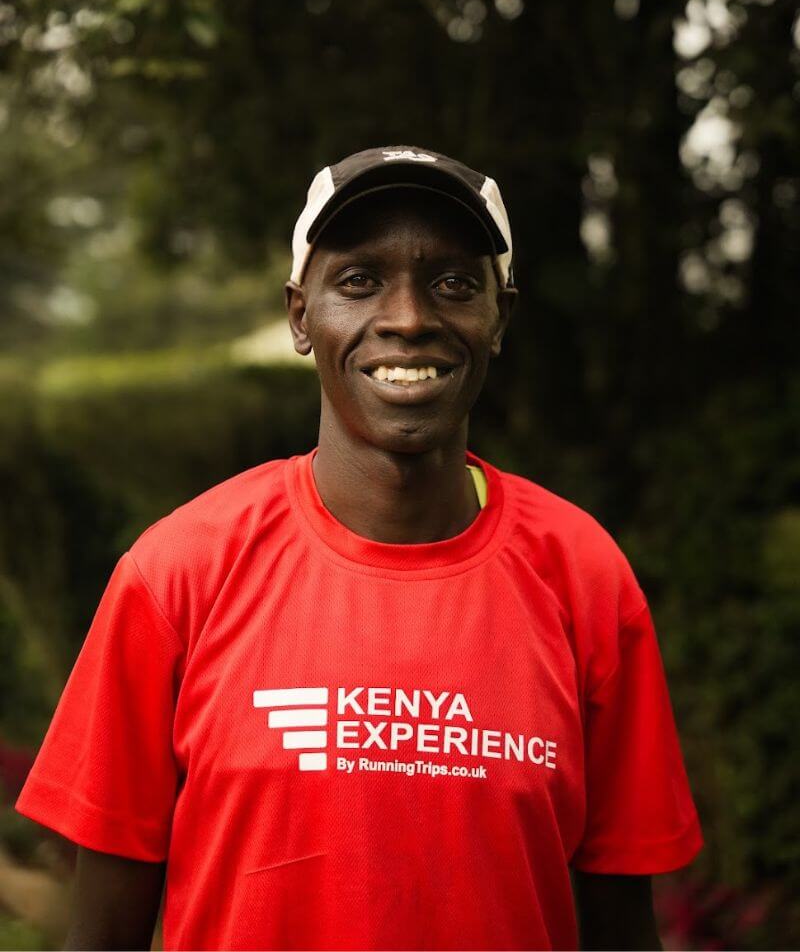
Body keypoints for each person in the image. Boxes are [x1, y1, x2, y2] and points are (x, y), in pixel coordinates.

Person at [16, 146, 703, 951]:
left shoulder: (586, 578)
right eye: (359, 280)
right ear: (300, 315)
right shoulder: (177, 574)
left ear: (500, 319)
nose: (409, 317)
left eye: (454, 283)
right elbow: (101, 938)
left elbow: (624, 931)